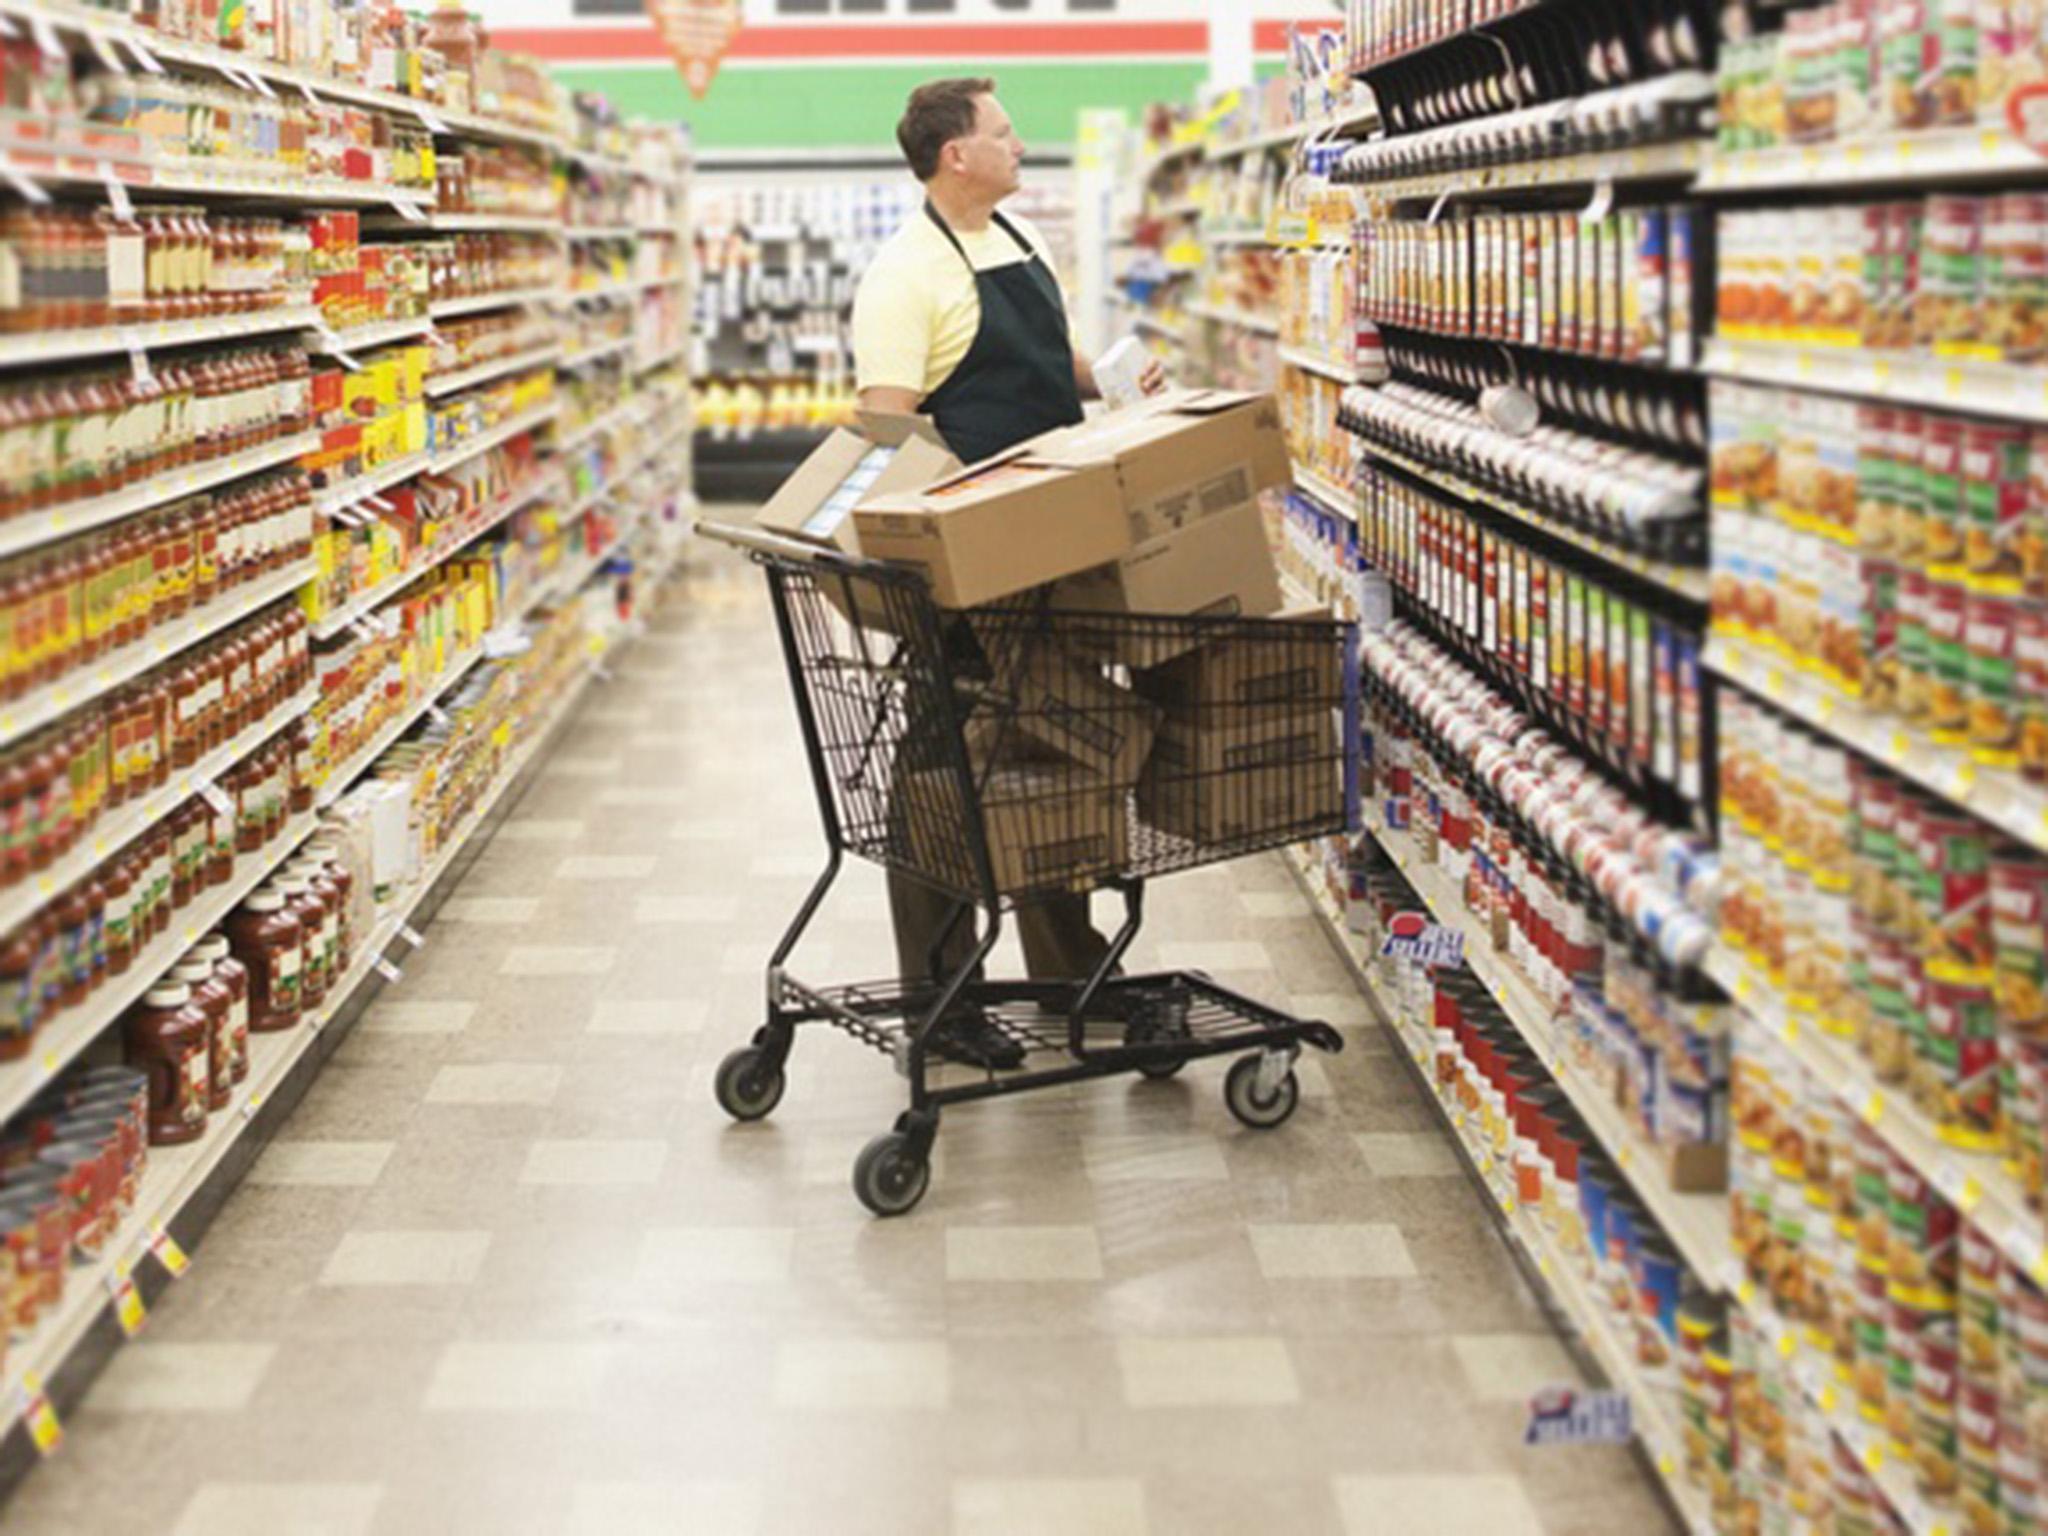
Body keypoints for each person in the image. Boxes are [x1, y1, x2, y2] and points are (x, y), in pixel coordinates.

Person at [851, 76, 1164, 1069]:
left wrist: (1106, 378)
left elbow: (1042, 359)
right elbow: (885, 426)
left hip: (1051, 549)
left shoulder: (1014, 242)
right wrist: (948, 536)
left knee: (1057, 755)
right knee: (944, 773)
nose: (1018, 142)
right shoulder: (904, 274)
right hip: (965, 564)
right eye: (1002, 129)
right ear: (956, 154)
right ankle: (941, 999)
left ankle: (1075, 978)